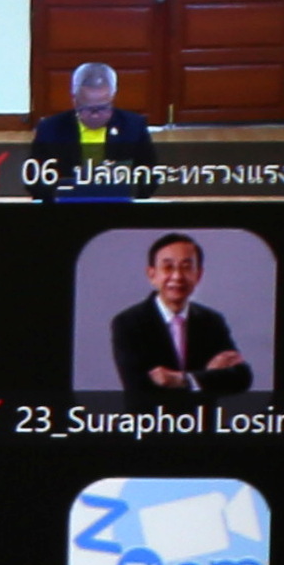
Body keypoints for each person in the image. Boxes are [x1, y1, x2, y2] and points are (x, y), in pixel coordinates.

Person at [108, 232, 254, 394]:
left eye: (186, 267)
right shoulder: (128, 323)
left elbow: (242, 378)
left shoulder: (212, 321)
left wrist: (182, 380)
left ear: (198, 275)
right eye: (168, 267)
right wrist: (207, 377)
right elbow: (141, 390)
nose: (177, 276)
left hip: (202, 412)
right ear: (152, 275)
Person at [31, 60, 155, 196]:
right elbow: (34, 179)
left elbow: (149, 176)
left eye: (103, 108)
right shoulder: (50, 129)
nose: (95, 115)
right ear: (74, 100)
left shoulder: (134, 126)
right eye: (87, 108)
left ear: (113, 98)